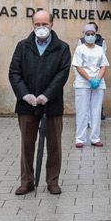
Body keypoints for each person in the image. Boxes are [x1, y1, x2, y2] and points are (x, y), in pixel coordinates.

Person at [8, 10, 71, 195]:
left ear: (52, 24)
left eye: (45, 24)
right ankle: (27, 181)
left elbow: (62, 74)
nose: (41, 28)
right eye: (37, 24)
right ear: (32, 25)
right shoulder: (23, 46)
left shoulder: (62, 48)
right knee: (27, 144)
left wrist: (47, 95)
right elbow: (14, 73)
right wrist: (25, 94)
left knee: (54, 145)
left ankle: (52, 181)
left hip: (52, 104)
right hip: (27, 105)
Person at [72, 23, 109, 148]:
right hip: (83, 84)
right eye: (88, 34)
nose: (90, 36)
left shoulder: (99, 49)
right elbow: (78, 66)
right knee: (82, 111)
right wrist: (89, 79)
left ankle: (95, 138)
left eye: (92, 34)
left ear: (95, 35)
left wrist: (97, 79)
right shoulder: (80, 49)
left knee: (96, 111)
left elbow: (103, 65)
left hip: (98, 84)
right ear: (84, 35)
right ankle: (80, 139)